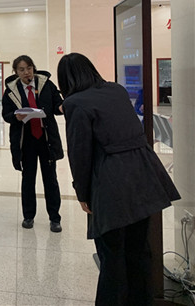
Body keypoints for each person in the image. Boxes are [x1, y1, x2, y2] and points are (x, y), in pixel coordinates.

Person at [57, 53, 180, 306]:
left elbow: (80, 153)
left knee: (112, 254)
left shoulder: (75, 103)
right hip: (143, 172)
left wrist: (82, 193)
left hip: (111, 181)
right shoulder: (117, 90)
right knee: (139, 249)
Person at [2, 55, 64, 232]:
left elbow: (57, 105)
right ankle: (28, 216)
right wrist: (16, 116)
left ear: (33, 68)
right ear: (15, 72)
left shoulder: (46, 85)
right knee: (28, 179)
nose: (26, 73)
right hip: (26, 140)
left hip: (46, 139)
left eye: (29, 68)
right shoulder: (11, 90)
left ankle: (55, 218)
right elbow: (6, 115)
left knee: (50, 179)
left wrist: (63, 107)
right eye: (21, 69)